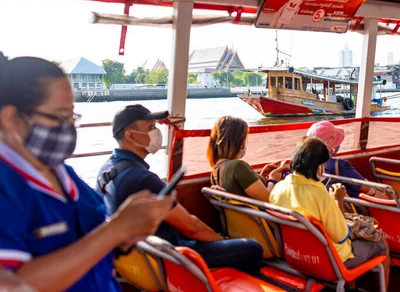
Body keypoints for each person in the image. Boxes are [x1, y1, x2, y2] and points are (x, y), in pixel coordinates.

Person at [0, 54, 173, 292]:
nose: (68, 128)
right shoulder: (8, 187)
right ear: (10, 118)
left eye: (71, 117)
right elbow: (11, 285)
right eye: (60, 117)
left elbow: (92, 238)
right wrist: (115, 230)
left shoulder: (65, 175)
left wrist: (126, 229)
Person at [97, 106, 263, 276]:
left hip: (141, 261)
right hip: (171, 257)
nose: (156, 132)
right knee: (251, 248)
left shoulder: (106, 171)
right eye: (151, 127)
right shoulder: (142, 179)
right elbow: (192, 227)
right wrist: (223, 241)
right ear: (130, 136)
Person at [270, 137, 390, 288]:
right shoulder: (320, 194)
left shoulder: (278, 188)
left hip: (294, 256)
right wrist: (338, 201)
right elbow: (340, 236)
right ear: (318, 166)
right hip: (331, 262)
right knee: (382, 243)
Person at [207, 116, 288, 202]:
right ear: (237, 142)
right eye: (244, 139)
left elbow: (242, 190)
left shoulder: (216, 170)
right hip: (260, 215)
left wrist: (261, 176)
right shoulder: (237, 166)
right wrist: (273, 180)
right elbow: (269, 199)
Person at [306, 121, 387, 198]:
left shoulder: (306, 164)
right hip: (351, 206)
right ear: (331, 145)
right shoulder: (340, 165)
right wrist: (378, 192)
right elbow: (364, 187)